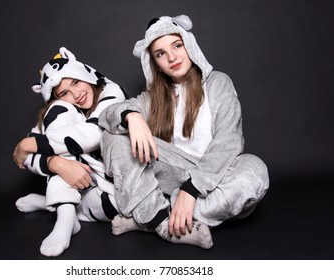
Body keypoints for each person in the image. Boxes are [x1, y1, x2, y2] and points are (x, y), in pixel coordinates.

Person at [98, 15, 270, 249]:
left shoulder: (217, 83)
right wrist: (132, 116)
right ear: (154, 63)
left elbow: (229, 142)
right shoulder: (152, 97)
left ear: (189, 45)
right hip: (170, 171)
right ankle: (160, 220)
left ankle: (151, 217)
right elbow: (107, 114)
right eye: (160, 54)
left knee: (254, 172)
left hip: (214, 175)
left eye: (176, 46)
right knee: (113, 134)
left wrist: (191, 189)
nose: (172, 57)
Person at [13, 47, 131, 257]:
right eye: (64, 93)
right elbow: (29, 160)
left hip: (118, 185)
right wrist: (56, 164)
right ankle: (65, 218)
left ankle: (53, 204)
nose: (76, 94)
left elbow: (90, 135)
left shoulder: (112, 92)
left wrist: (27, 145)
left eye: (76, 82)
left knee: (125, 208)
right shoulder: (63, 110)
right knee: (60, 122)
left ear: (86, 75)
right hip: (83, 181)